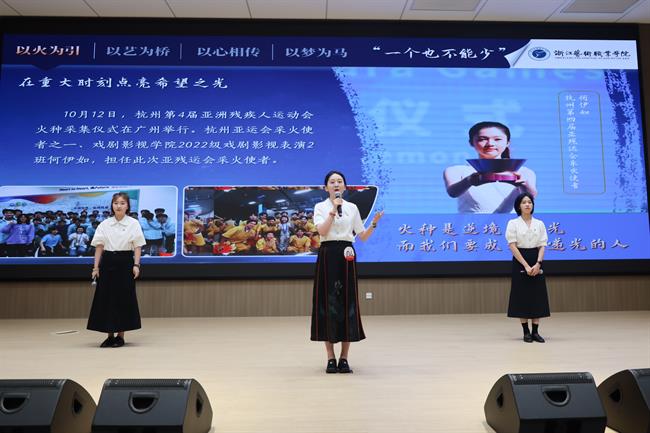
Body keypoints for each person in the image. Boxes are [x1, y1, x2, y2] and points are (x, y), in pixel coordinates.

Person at [311, 170, 384, 373]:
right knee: (327, 302)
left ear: (344, 186)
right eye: (332, 182)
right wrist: (333, 211)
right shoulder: (320, 207)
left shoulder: (352, 208)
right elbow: (322, 231)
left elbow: (363, 236)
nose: (336, 184)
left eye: (339, 181)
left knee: (347, 302)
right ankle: (330, 358)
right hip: (327, 253)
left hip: (346, 253)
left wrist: (375, 223)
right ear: (326, 187)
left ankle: (344, 358)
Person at [87, 192, 146, 348]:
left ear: (127, 206)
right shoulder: (105, 224)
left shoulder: (133, 223)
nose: (118, 206)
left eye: (122, 203)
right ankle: (109, 336)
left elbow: (137, 246)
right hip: (107, 263)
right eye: (116, 203)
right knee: (106, 299)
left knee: (123, 298)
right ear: (112, 205)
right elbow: (99, 247)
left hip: (125, 262)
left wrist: (136, 265)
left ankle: (120, 336)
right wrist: (95, 267)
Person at [443, 121, 537, 213]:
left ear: (508, 142)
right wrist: (469, 181)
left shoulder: (524, 172)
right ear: (471, 142)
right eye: (482, 139)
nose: (490, 144)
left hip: (510, 222)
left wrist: (523, 184)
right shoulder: (456, 170)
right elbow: (453, 192)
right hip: (472, 222)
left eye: (497, 139)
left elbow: (530, 197)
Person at [505, 192, 550, 343]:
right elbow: (512, 245)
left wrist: (538, 263)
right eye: (524, 202)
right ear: (519, 206)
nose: (527, 204)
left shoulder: (539, 223)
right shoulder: (513, 223)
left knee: (537, 295)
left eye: (529, 202)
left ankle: (536, 332)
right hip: (520, 259)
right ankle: (526, 332)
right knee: (522, 296)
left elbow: (542, 245)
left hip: (536, 259)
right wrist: (525, 265)